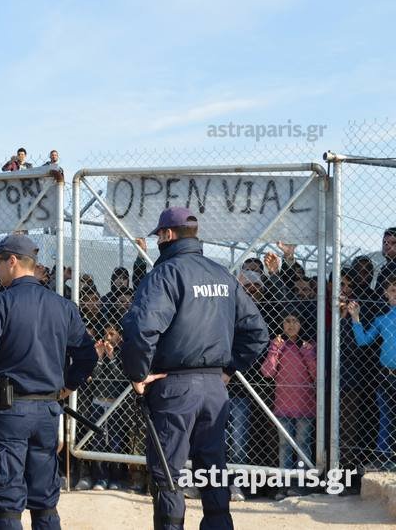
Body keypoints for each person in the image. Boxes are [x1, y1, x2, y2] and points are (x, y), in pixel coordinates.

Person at [121, 206, 268, 530]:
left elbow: (141, 330)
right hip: (215, 389)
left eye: (159, 235)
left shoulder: (165, 274)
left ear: (168, 235)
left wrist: (137, 373)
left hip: (173, 387)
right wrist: (228, 370)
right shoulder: (221, 274)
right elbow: (257, 333)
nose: (158, 240)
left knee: (168, 476)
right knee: (213, 469)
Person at [0, 234, 97, 530]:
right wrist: (67, 387)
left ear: (12, 261)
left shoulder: (1, 304)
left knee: (8, 502)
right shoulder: (62, 306)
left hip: (9, 413)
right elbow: (87, 356)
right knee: (45, 499)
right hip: (47, 412)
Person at [260, 310, 317, 499]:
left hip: (305, 406)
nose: (291, 325)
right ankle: (284, 484)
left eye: (295, 321)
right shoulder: (279, 346)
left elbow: (318, 375)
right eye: (287, 321)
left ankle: (301, 484)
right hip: (283, 405)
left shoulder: (309, 346)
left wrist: (307, 354)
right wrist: (275, 349)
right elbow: (267, 372)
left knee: (303, 443)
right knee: (284, 445)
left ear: (302, 324)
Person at [348, 277, 396, 469]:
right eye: (393, 290)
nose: (395, 294)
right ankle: (384, 458)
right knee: (385, 418)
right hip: (386, 375)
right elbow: (363, 341)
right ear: (385, 294)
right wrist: (355, 318)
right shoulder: (382, 320)